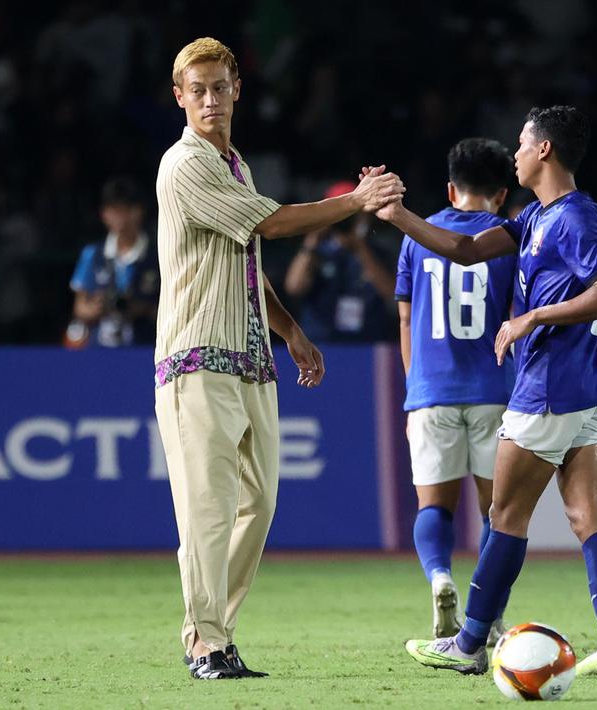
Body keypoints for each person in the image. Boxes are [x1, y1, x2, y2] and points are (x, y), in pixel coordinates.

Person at [153, 37, 403, 680]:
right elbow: (268, 227)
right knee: (207, 510)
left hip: (250, 360)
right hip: (195, 360)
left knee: (257, 507)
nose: (211, 98)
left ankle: (219, 631)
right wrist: (353, 201)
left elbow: (248, 259)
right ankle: (203, 640)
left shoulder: (235, 165)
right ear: (179, 98)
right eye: (197, 89)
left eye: (220, 86)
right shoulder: (184, 165)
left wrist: (290, 329)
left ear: (237, 89)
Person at [382, 106, 597, 677]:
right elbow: (465, 250)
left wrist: (531, 318)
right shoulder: (536, 217)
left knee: (505, 513)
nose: (516, 151)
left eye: (523, 142)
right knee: (588, 513)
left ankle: (469, 644)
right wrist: (398, 216)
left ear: (545, 150)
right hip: (594, 390)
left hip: (551, 388)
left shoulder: (573, 218)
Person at [394, 138, 517, 639]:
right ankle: (490, 614)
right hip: (494, 389)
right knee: (499, 513)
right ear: (502, 194)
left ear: (450, 189)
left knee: (434, 507)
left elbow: (404, 317)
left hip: (431, 392)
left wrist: (414, 384)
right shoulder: (508, 237)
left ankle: (440, 576)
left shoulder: (417, 235)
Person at [284, 181, 399, 342]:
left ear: (364, 214)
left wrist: (360, 247)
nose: (344, 220)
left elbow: (391, 293)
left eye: (351, 213)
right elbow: (294, 288)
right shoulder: (316, 251)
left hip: (367, 345)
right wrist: (312, 239)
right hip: (321, 343)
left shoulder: (377, 252)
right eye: (339, 213)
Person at [66, 177, 160, 348]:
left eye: (125, 210)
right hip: (100, 348)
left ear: (138, 211)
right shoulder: (93, 254)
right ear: (104, 214)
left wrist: (140, 308)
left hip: (146, 346)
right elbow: (79, 308)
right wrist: (96, 308)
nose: (119, 217)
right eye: (113, 210)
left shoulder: (157, 255)